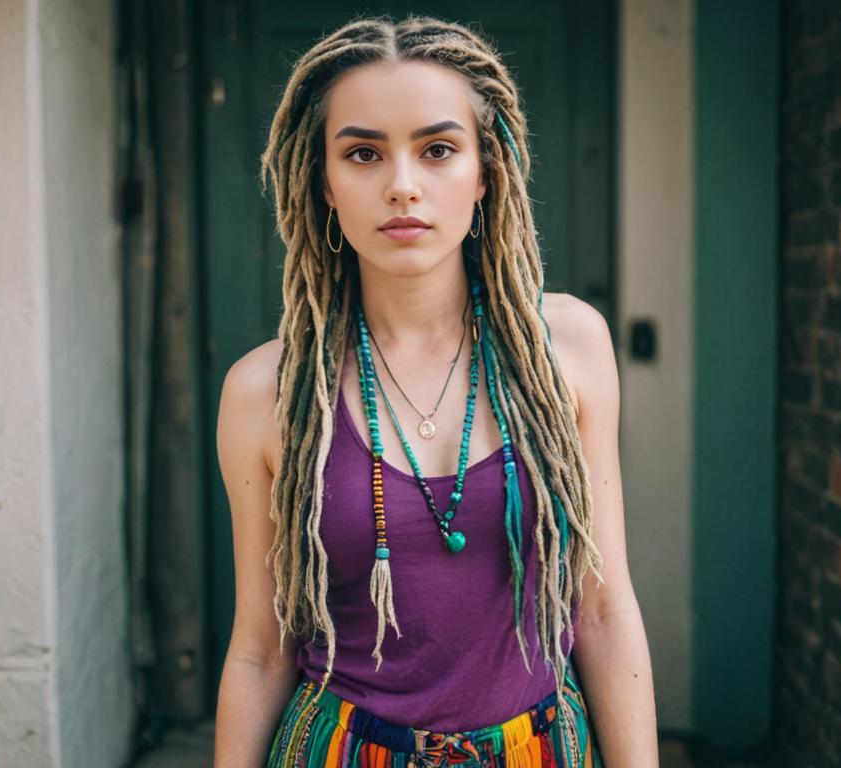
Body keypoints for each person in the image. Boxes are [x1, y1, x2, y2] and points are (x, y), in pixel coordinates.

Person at [213, 14, 658, 768]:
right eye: (362, 153)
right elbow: (261, 649)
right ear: (323, 181)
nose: (402, 186)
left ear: (486, 173)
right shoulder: (268, 391)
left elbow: (605, 609)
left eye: (439, 149)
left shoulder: (568, 351)